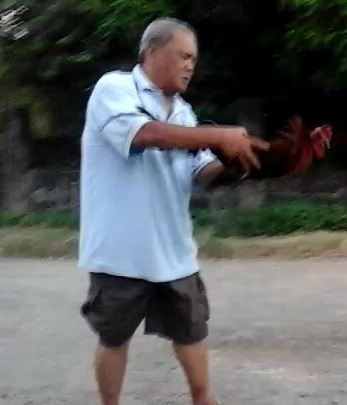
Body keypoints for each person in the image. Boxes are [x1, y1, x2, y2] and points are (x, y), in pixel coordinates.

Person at [78, 17, 267, 405]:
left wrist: (246, 165)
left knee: (191, 333)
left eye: (193, 60)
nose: (189, 66)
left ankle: (203, 400)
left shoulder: (184, 112)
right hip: (121, 253)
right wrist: (218, 135)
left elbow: (204, 173)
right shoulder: (114, 88)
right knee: (113, 338)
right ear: (151, 52)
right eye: (183, 56)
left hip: (175, 252)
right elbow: (143, 134)